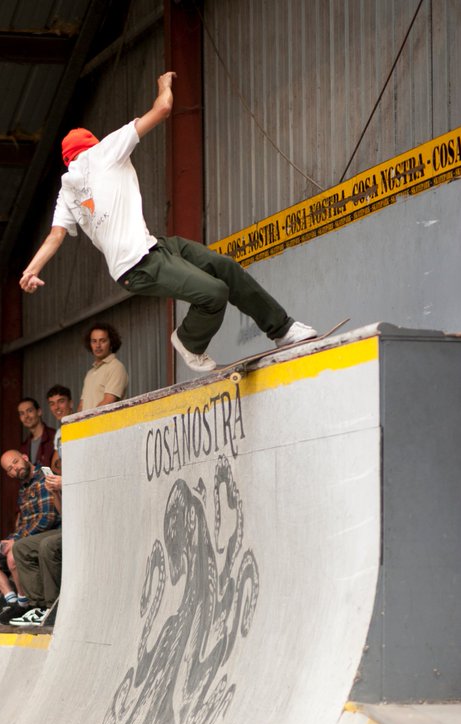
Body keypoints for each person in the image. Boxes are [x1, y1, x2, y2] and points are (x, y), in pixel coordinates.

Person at [20, 72, 316, 373]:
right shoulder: (105, 151)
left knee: (224, 268)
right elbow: (162, 110)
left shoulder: (66, 189)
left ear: (67, 160)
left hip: (154, 248)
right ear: (92, 145)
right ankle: (190, 341)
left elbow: (55, 237)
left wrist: (31, 271)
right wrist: (163, 86)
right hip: (139, 265)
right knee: (214, 293)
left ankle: (282, 329)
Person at [0, 451, 61, 625]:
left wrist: (16, 541)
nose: (15, 469)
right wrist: (10, 539)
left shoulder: (42, 478)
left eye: (16, 462)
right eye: (10, 469)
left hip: (47, 533)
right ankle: (13, 602)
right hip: (28, 537)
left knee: (14, 554)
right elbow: (24, 522)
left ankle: (26, 604)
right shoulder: (23, 489)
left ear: (25, 458)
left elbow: (48, 517)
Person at [10, 473, 63, 627]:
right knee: (21, 547)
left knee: (47, 545)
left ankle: (51, 607)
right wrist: (54, 492)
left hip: (84, 526)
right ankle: (38, 606)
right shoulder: (25, 488)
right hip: (66, 526)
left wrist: (65, 484)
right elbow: (63, 512)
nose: (14, 470)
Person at [80, 325, 128, 411]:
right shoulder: (90, 373)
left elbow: (108, 402)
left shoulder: (116, 367)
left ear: (111, 343)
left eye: (103, 341)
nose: (97, 345)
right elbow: (81, 406)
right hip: (88, 423)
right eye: (94, 341)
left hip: (106, 423)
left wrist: (88, 421)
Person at [18, 397, 56, 467]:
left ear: (39, 412)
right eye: (22, 413)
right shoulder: (24, 447)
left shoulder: (54, 437)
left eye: (29, 411)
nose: (26, 416)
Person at [47, 384, 74, 473]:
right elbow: (54, 468)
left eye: (61, 401)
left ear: (71, 403)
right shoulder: (59, 432)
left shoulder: (81, 425)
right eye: (52, 404)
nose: (56, 407)